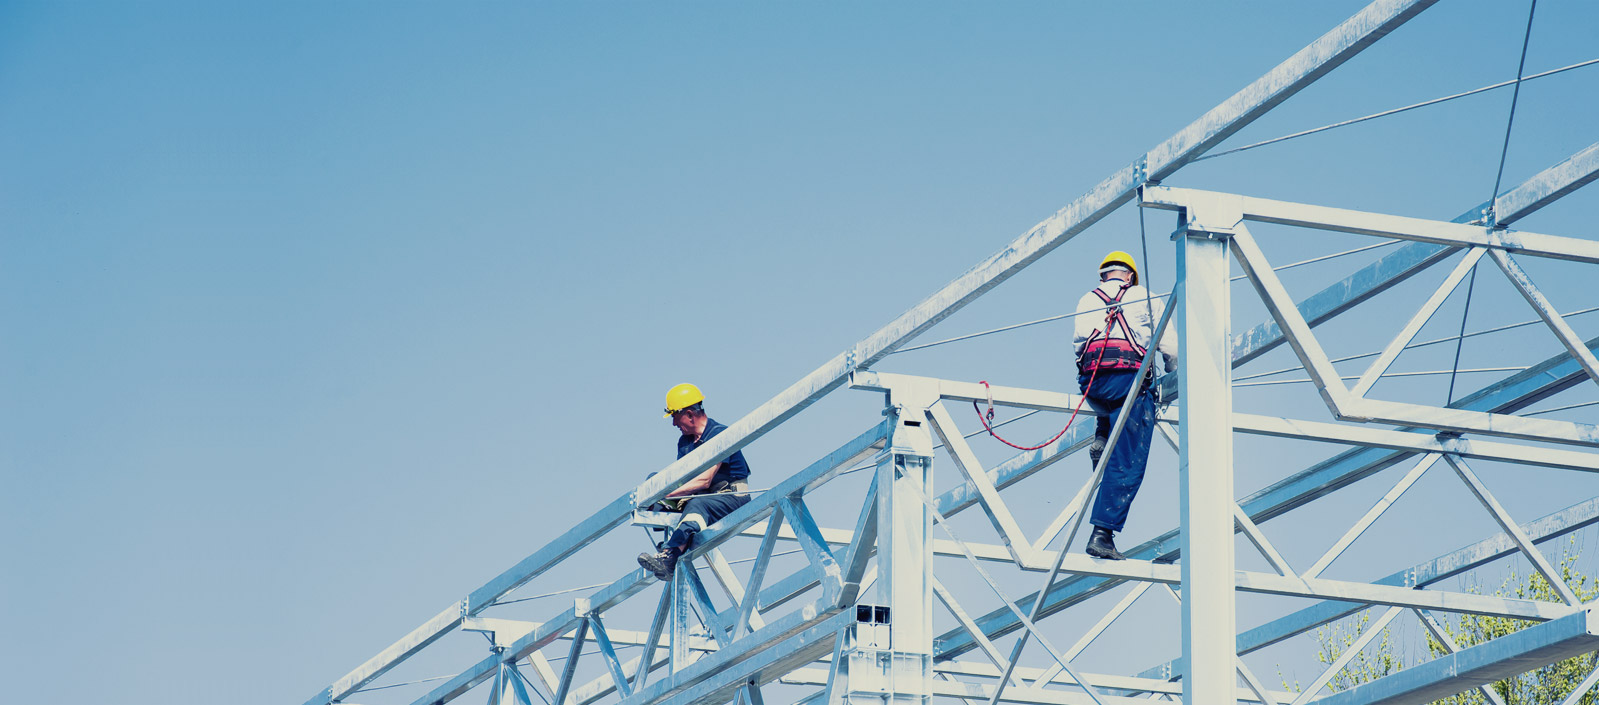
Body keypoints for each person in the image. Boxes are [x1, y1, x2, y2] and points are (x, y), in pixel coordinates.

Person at [1072, 251, 1177, 560]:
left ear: (1104, 275)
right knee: (1128, 459)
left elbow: (1078, 346)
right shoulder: (1144, 296)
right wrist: (1173, 377)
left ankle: (1102, 434)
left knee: (1110, 403)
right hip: (1127, 381)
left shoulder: (1086, 300)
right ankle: (1103, 533)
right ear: (1130, 276)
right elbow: (1169, 347)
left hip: (1092, 384)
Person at [637, 383, 753, 581]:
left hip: (731, 497)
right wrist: (655, 493)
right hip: (701, 497)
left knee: (696, 504)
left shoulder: (719, 434)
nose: (673, 423)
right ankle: (673, 542)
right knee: (654, 483)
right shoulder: (685, 443)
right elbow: (681, 480)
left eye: (675, 416)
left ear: (690, 414)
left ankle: (670, 554)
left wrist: (666, 494)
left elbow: (705, 480)